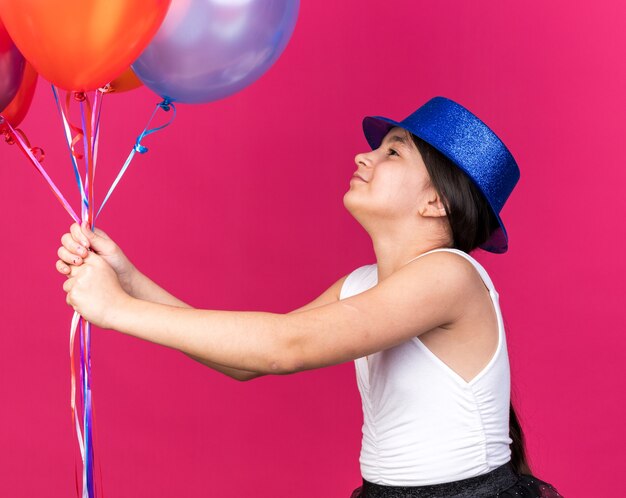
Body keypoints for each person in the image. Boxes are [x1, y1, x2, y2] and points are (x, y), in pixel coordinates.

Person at [55, 97, 563, 497]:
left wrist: (118, 310)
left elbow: (285, 347)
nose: (364, 155)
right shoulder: (361, 285)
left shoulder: (451, 275)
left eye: (392, 151)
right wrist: (129, 280)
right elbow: (245, 361)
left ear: (436, 201)